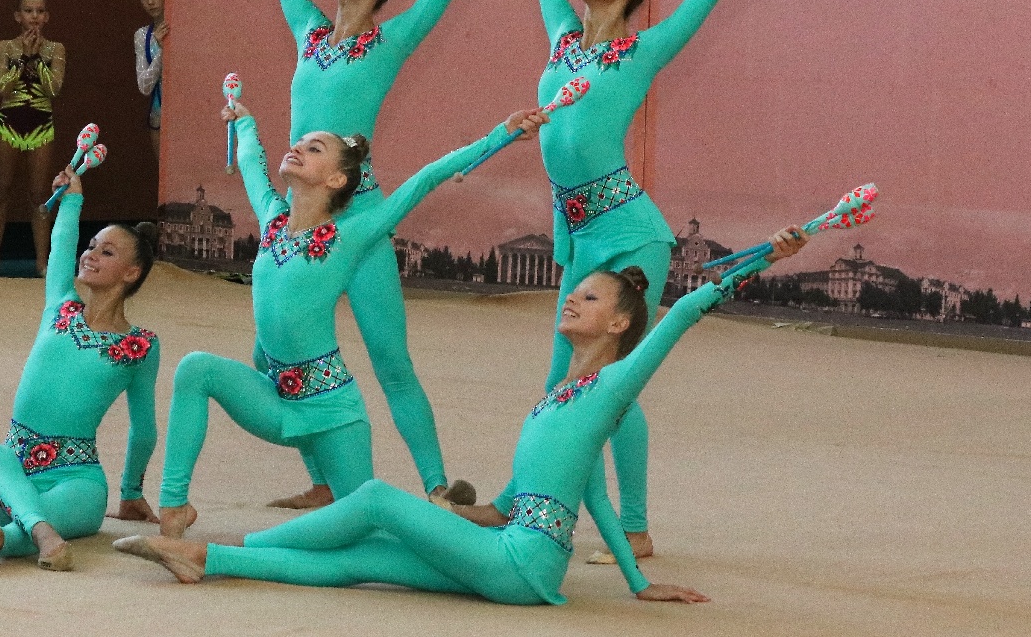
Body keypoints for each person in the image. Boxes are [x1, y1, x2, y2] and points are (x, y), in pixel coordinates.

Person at [117, 228, 808, 603]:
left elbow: (682, 314)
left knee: (375, 500)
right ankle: (206, 558)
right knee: (365, 557)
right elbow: (565, 499)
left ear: (622, 323)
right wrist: (635, 581)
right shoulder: (558, 399)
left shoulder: (613, 385)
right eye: (573, 292)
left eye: (591, 299)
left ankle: (228, 546)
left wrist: (759, 260)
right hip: (515, 557)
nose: (571, 299)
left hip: (523, 563)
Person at [509, 0, 849, 562]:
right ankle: (525, 506)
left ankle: (632, 527)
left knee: (609, 386)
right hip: (581, 233)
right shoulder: (561, 39)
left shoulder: (644, 49)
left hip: (631, 235)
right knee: (561, 383)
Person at [224, 0, 540, 507]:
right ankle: (323, 480)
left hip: (359, 218)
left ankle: (437, 488)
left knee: (391, 359)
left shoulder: (391, 40)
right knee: (271, 356)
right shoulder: (309, 33)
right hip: (299, 217)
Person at [154, 100, 546, 539]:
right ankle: (174, 508)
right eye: (299, 143)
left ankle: (451, 521)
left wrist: (502, 133)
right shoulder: (271, 220)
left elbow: (427, 177)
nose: (298, 148)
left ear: (337, 179)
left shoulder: (352, 235)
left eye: (314, 148)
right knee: (195, 368)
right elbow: (249, 161)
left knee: (361, 532)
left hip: (332, 412)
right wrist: (243, 121)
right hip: (277, 401)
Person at [0, 164, 161, 571]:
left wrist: (131, 492)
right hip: (11, 476)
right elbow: (62, 246)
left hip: (78, 483)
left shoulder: (140, 347)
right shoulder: (60, 307)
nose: (90, 254)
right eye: (92, 245)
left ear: (131, 273)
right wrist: (72, 200)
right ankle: (40, 534)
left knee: (67, 504)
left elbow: (144, 429)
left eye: (107, 252)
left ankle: (5, 537)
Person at [0, 0, 66, 277]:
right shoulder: (4, 47)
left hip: (41, 126)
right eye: (28, 11)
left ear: (47, 16)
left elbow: (53, 89)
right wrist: (21, 60)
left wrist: (37, 59)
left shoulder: (56, 49)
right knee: (1, 188)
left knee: (39, 193)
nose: (34, 17)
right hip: (8, 123)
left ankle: (42, 263)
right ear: (18, 16)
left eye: (39, 11)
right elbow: (2, 88)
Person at [133, 0, 168, 209]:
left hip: (185, 112)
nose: (151, 2)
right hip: (159, 115)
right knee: (165, 180)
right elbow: (144, 86)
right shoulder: (142, 35)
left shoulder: (184, 26)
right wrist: (160, 51)